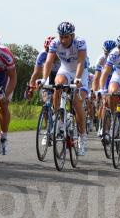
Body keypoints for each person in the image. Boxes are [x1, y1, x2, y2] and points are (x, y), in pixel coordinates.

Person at [34, 21, 89, 156]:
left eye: (66, 37)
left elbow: (81, 61)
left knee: (77, 103)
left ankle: (82, 136)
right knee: (57, 85)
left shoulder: (80, 42)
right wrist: (43, 78)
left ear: (72, 36)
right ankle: (59, 119)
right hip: (64, 69)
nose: (63, 40)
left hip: (80, 71)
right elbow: (49, 61)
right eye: (61, 37)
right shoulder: (55, 43)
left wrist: (77, 78)